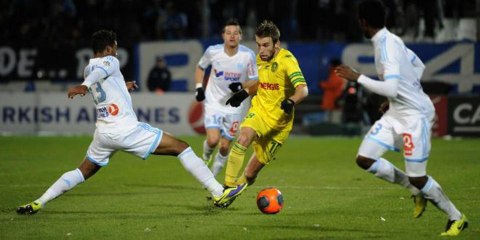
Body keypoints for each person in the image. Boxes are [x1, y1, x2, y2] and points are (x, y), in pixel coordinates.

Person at [16, 30, 247, 215]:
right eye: (114, 47)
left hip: (104, 134)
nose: (116, 51)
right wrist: (84, 86)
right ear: (108, 48)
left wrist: (121, 87)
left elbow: (100, 79)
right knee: (182, 147)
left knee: (82, 171)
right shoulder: (108, 62)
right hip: (125, 130)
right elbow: (98, 74)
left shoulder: (89, 66)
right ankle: (218, 193)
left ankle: (39, 202)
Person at [334, 0, 467, 236]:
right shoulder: (392, 40)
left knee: (419, 176)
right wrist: (398, 97)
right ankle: (415, 190)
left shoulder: (386, 47)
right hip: (397, 111)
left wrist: (359, 77)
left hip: (415, 116)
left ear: (363, 22)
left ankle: (456, 217)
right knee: (364, 158)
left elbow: (393, 87)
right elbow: (418, 66)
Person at [223, 20, 309, 200]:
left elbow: (303, 89)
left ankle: (233, 190)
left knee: (250, 173)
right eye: (258, 45)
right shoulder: (258, 60)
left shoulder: (287, 61)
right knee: (243, 138)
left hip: (279, 125)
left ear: (276, 44)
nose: (261, 50)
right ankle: (226, 189)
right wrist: (244, 93)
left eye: (266, 45)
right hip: (260, 113)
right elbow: (259, 83)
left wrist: (291, 101)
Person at [194, 19, 258, 177]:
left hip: (236, 107)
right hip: (214, 102)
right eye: (228, 33)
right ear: (223, 35)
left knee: (224, 146)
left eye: (236, 33)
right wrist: (198, 87)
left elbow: (255, 79)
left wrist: (241, 85)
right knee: (213, 140)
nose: (232, 36)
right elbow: (200, 67)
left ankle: (212, 177)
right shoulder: (213, 51)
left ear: (241, 36)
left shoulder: (247, 55)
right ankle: (206, 156)